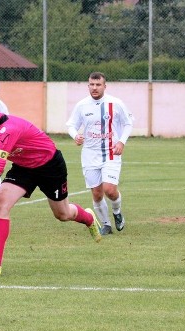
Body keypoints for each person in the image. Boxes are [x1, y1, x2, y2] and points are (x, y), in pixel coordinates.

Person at [0, 88, 102, 276]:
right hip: (24, 167)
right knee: (1, 203)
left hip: (49, 165)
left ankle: (88, 217)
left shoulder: (7, 128)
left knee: (62, 214)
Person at [67, 72, 133, 235]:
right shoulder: (82, 105)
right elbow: (71, 125)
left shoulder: (115, 103)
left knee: (109, 190)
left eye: (98, 85)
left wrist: (121, 142)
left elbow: (128, 123)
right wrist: (75, 135)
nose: (94, 88)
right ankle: (106, 225)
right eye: (92, 84)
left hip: (111, 153)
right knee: (97, 194)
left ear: (105, 86)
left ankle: (117, 212)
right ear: (88, 85)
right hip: (90, 154)